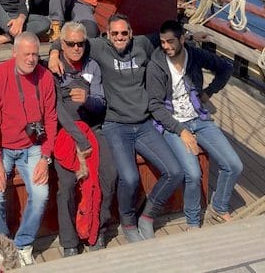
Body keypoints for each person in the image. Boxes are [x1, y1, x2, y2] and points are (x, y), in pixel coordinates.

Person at [48, 13, 183, 243]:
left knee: (175, 172)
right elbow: (69, 39)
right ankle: (127, 220)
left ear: (131, 33)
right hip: (115, 124)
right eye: (115, 33)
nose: (120, 37)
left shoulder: (141, 44)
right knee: (127, 178)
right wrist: (52, 52)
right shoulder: (98, 47)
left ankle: (147, 216)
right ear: (107, 35)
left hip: (143, 123)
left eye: (124, 33)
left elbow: (167, 38)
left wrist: (190, 41)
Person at [147, 20, 242, 227]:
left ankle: (219, 206)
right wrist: (181, 131)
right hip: (172, 124)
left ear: (182, 39)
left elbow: (225, 68)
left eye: (170, 41)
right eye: (162, 42)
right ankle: (192, 221)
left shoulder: (195, 56)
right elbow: (155, 106)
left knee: (234, 165)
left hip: (198, 117)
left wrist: (208, 92)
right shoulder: (156, 65)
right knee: (193, 173)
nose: (166, 46)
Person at [0, 32, 57, 265]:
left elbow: (51, 120)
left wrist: (45, 157)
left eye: (35, 54)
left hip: (33, 147)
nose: (31, 59)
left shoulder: (44, 78)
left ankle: (23, 243)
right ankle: (2, 245)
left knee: (41, 193)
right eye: (26, 54)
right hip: (2, 148)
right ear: (14, 52)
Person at [51, 22, 117, 256]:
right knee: (67, 185)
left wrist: (88, 100)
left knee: (109, 176)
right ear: (62, 44)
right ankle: (69, 241)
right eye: (71, 44)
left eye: (81, 43)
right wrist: (80, 140)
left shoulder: (92, 66)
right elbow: (55, 110)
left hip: (94, 128)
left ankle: (98, 228)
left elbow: (100, 106)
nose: (77, 48)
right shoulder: (54, 70)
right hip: (66, 134)